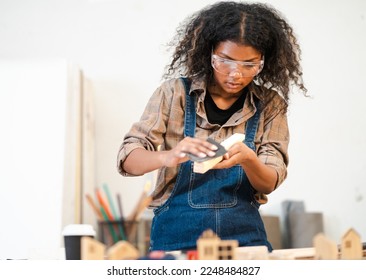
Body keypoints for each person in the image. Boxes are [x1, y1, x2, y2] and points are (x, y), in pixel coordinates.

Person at [117, 1, 307, 252]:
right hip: (176, 243)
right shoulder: (174, 94)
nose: (235, 74)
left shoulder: (270, 105)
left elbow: (269, 182)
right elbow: (127, 159)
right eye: (225, 60)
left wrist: (249, 160)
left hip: (245, 243)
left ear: (264, 61)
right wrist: (168, 156)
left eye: (249, 64)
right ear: (208, 53)